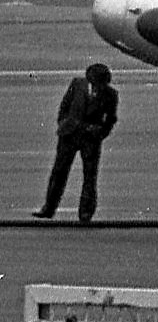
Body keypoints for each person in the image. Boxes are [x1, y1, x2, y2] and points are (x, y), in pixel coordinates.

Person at [34, 63, 119, 223]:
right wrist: (63, 123)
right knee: (59, 172)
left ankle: (85, 213)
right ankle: (48, 208)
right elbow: (65, 105)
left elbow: (111, 118)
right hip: (69, 134)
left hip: (90, 139)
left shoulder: (111, 94)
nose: (98, 88)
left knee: (89, 177)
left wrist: (100, 133)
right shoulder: (77, 85)